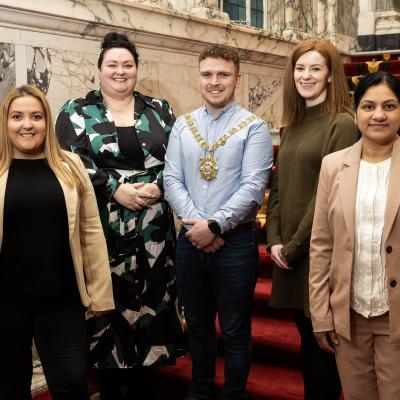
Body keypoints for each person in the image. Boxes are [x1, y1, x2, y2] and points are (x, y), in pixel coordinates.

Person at [55, 32, 182, 400]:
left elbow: (180, 156)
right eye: (112, 64)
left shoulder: (159, 108)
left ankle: (146, 383)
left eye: (127, 64)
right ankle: (110, 387)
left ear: (137, 69)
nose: (120, 71)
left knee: (153, 302)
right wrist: (115, 188)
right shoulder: (77, 111)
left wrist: (160, 186)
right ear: (99, 69)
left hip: (155, 228)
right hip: (105, 228)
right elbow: (68, 160)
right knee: (108, 304)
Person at [164, 44, 273, 400]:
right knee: (197, 326)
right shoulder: (183, 124)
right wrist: (197, 227)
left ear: (237, 79)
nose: (214, 82)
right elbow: (172, 180)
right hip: (190, 242)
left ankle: (234, 394)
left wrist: (214, 226)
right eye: (207, 74)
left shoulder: (253, 127)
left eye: (223, 74)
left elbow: (254, 188)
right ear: (199, 79)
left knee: (235, 329)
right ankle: (200, 391)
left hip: (235, 244)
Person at [0, 84, 114, 400]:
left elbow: (91, 231)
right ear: (5, 122)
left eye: (36, 116)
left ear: (46, 121)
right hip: (6, 303)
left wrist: (100, 294)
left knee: (72, 384)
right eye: (17, 116)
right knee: (8, 388)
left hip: (61, 300)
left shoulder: (70, 165)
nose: (27, 124)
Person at [265, 39, 359, 399]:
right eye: (300, 68)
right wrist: (273, 239)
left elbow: (327, 196)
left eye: (315, 68)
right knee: (308, 346)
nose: (306, 75)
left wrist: (291, 247)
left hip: (318, 258)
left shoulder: (342, 125)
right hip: (288, 255)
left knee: (325, 353)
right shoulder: (295, 123)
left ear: (331, 75)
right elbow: (277, 188)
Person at [309, 71, 400, 400]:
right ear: (356, 111)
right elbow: (321, 244)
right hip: (350, 315)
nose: (378, 115)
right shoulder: (333, 166)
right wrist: (321, 313)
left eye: (389, 106)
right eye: (368, 106)